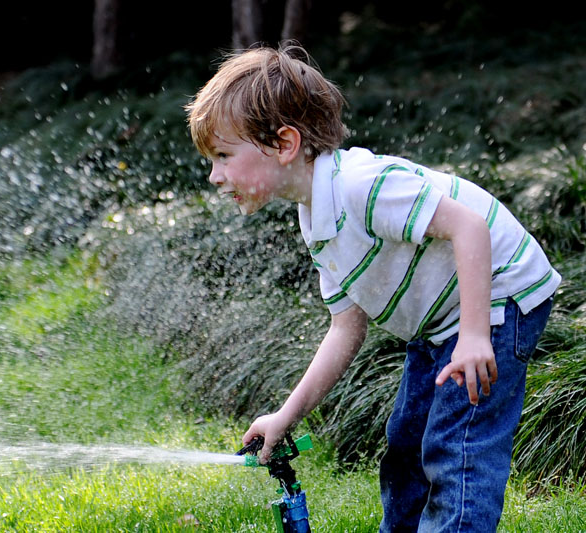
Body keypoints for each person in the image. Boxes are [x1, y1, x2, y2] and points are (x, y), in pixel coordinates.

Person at [184, 43, 560, 532]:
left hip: (501, 297)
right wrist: (287, 414)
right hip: (441, 325)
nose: (215, 176)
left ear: (284, 144)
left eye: (222, 156)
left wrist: (474, 336)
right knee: (406, 449)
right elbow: (346, 327)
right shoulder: (316, 217)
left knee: (456, 451)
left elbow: (470, 227)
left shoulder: (362, 186)